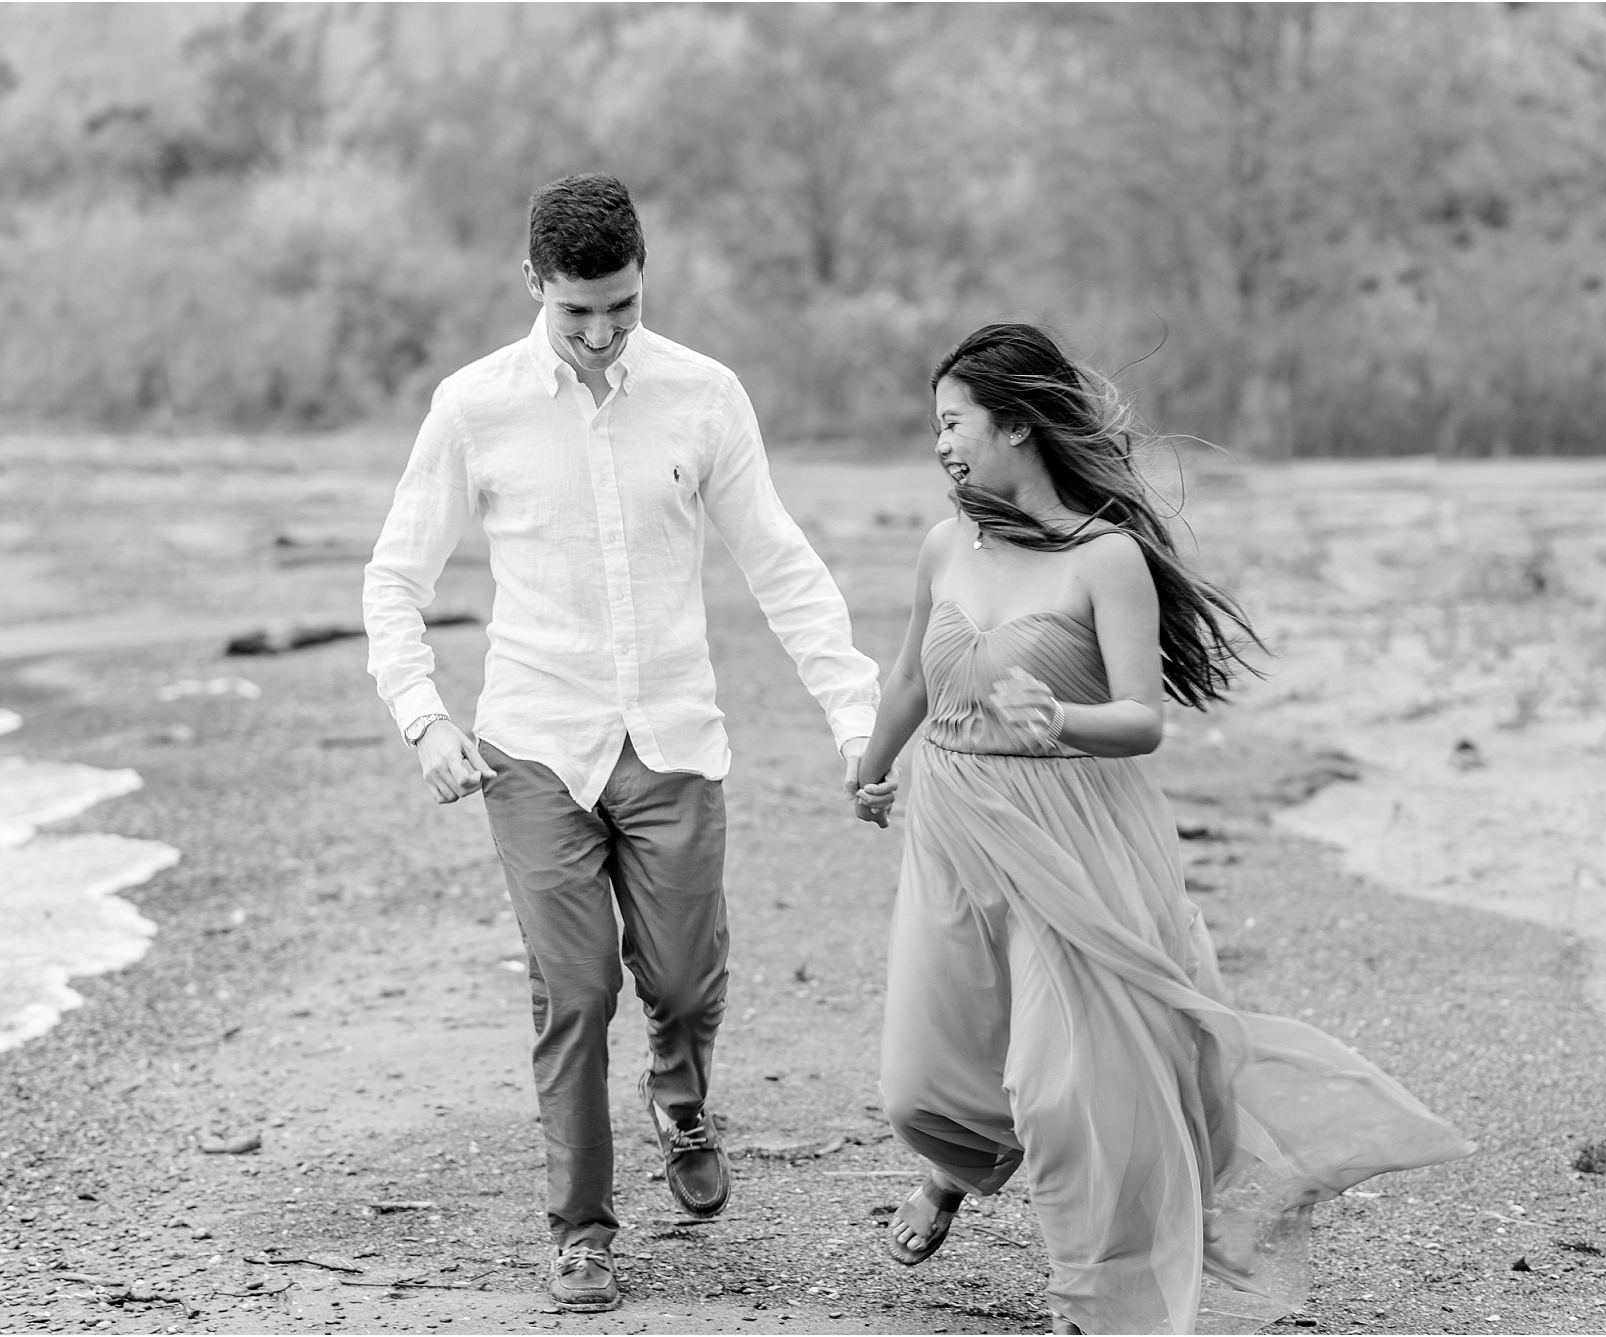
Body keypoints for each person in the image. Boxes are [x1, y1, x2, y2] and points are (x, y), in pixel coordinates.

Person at [849, 324, 1474, 1335]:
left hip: (1074, 834)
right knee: (920, 1084)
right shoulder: (942, 544)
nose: (940, 444)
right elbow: (911, 676)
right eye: (936, 426)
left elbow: (1140, 719)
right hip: (951, 826)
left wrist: (1060, 720)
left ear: (1015, 424)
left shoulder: (1107, 560)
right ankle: (956, 1170)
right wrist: (870, 767)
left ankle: (1092, 1298)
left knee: (1064, 1090)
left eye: (953, 422)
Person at [362, 173, 880, 1314]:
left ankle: (681, 1090)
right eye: (576, 312)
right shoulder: (472, 406)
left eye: (623, 308)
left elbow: (780, 563)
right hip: (532, 744)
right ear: (533, 285)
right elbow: (396, 574)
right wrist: (422, 715)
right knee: (576, 989)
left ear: (645, 278)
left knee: (685, 983)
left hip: (674, 740)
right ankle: (581, 1230)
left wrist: (856, 714)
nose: (600, 336)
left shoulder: (704, 397)